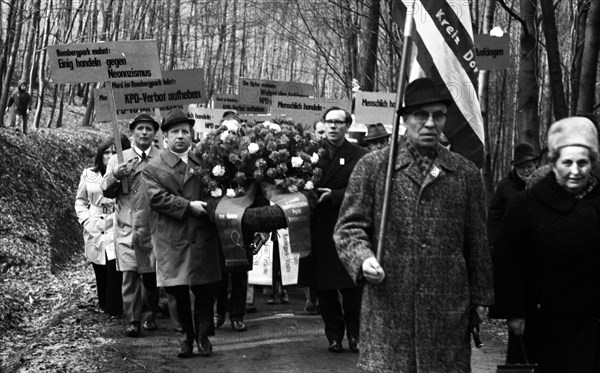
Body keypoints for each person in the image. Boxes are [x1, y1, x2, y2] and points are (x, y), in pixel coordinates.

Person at [334, 77, 494, 371]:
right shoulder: (373, 167)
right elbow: (348, 228)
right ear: (405, 119)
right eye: (422, 115)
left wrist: (481, 297)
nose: (430, 123)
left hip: (447, 310)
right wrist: (363, 259)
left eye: (438, 115)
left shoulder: (465, 173)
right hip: (389, 308)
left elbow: (477, 241)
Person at [492, 116, 600, 373]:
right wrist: (514, 312)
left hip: (590, 321)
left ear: (592, 164)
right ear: (553, 163)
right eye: (567, 163)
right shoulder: (527, 205)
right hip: (540, 321)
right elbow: (508, 261)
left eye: (583, 163)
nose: (575, 171)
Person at [142, 108, 221, 358]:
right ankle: (185, 338)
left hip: (202, 235)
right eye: (174, 132)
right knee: (176, 292)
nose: (180, 136)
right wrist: (188, 206)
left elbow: (216, 191)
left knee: (205, 290)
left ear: (192, 135)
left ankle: (204, 335)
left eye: (184, 132)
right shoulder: (153, 167)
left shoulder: (205, 162)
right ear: (164, 137)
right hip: (171, 237)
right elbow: (156, 198)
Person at [312, 106, 368, 353]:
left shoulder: (360, 155)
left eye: (338, 122)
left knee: (351, 287)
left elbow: (364, 191)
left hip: (347, 227)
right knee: (324, 288)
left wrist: (334, 196)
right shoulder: (309, 153)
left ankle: (355, 334)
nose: (333, 126)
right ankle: (334, 335)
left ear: (347, 126)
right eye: (329, 121)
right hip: (319, 228)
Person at [102, 113, 160, 338]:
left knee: (151, 276)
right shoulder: (119, 158)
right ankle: (133, 320)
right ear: (132, 132)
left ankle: (149, 316)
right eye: (140, 129)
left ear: (155, 133)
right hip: (126, 225)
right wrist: (116, 176)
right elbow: (106, 190)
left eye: (148, 129)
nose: (144, 133)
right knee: (129, 275)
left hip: (153, 225)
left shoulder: (163, 157)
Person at [74, 136, 130, 316]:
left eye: (114, 152)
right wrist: (85, 219)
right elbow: (80, 200)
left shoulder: (126, 174)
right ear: (100, 155)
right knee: (99, 264)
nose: (110, 156)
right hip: (95, 225)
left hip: (117, 221)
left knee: (115, 265)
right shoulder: (88, 174)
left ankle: (115, 307)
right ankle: (104, 303)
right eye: (106, 152)